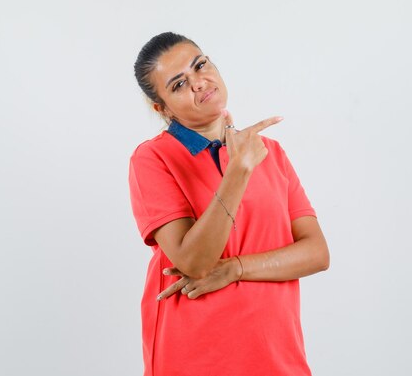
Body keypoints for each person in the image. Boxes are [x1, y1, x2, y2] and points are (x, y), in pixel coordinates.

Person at [128, 32, 329, 376]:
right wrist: (237, 173)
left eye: (200, 65)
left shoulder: (269, 152)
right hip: (196, 358)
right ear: (161, 108)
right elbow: (194, 262)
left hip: (277, 357)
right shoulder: (152, 159)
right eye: (178, 84)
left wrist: (236, 268)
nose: (198, 83)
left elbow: (316, 253)